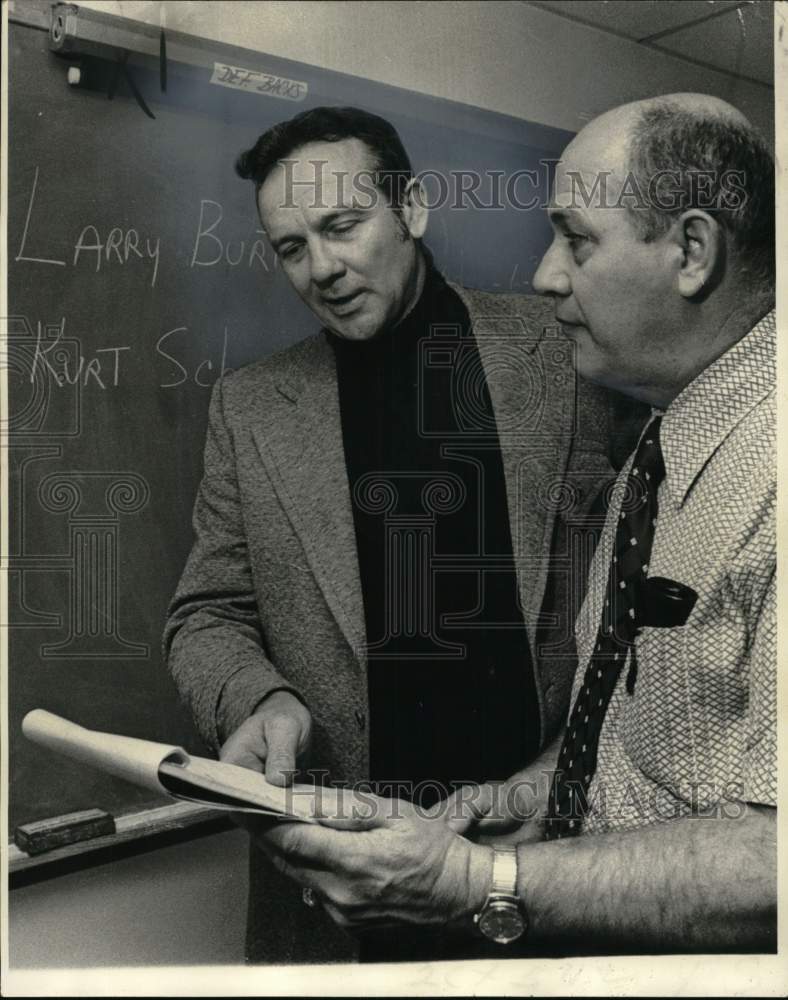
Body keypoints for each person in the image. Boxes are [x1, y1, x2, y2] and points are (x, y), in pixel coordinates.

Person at [253, 93, 777, 955]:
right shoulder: (661, 444)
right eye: (290, 247)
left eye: (576, 239)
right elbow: (663, 730)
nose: (546, 275)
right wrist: (546, 789)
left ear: (691, 251)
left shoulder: (747, 451)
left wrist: (479, 885)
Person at [164, 106, 633, 963]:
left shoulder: (571, 350)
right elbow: (208, 612)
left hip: (551, 856)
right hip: (342, 891)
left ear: (410, 209)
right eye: (292, 248)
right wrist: (257, 699)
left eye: (343, 226)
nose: (323, 269)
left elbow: (645, 587)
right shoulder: (250, 408)